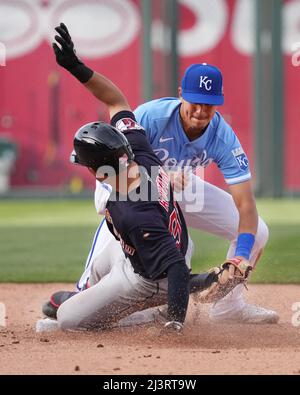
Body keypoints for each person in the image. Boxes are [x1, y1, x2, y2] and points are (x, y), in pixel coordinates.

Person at [52, 23, 279, 325]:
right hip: (124, 182)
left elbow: (246, 207)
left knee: (258, 231)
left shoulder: (222, 136)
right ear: (181, 94)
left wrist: (241, 256)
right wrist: (160, 178)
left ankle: (228, 308)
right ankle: (84, 290)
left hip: (178, 188)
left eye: (209, 105)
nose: (201, 110)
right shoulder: (152, 116)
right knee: (123, 217)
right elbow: (113, 163)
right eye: (195, 101)